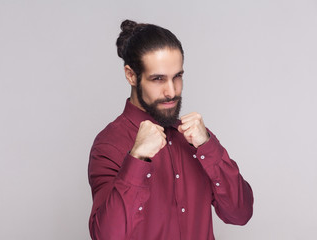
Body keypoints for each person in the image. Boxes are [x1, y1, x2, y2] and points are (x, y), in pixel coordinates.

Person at [88, 19, 253, 240]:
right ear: (130, 75)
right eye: (158, 79)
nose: (171, 91)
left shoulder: (195, 138)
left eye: (178, 77)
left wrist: (208, 146)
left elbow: (240, 213)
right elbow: (107, 236)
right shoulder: (109, 144)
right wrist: (137, 159)